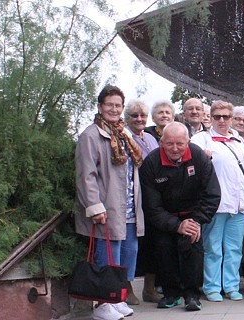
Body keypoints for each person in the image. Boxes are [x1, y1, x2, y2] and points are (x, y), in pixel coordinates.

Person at [75, 85, 144, 319]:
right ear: (100, 107)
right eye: (109, 105)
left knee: (128, 253)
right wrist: (94, 206)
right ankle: (103, 304)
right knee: (108, 254)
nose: (114, 109)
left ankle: (118, 297)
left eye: (118, 105)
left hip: (129, 207)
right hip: (108, 207)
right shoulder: (91, 135)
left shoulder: (123, 135)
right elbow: (86, 175)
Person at [139, 122, 221, 311]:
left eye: (180, 144)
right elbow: (151, 206)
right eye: (169, 144)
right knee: (164, 249)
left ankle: (192, 295)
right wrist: (176, 225)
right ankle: (171, 294)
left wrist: (196, 220)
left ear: (188, 141)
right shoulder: (151, 163)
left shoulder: (199, 156)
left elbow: (212, 194)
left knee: (192, 246)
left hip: (193, 215)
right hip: (164, 217)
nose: (175, 149)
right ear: (161, 142)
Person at [190, 101, 244, 302]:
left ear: (232, 119)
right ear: (211, 118)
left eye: (226, 116)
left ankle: (231, 285)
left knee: (234, 249)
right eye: (217, 117)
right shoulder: (201, 139)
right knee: (213, 248)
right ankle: (212, 287)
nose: (222, 120)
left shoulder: (239, 140)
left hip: (238, 205)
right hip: (215, 206)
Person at [123, 99, 160, 304]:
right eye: (134, 116)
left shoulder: (151, 138)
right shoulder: (124, 138)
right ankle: (127, 289)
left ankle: (149, 289)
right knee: (132, 247)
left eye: (142, 116)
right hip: (134, 200)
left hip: (153, 200)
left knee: (152, 246)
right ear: (127, 119)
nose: (139, 119)